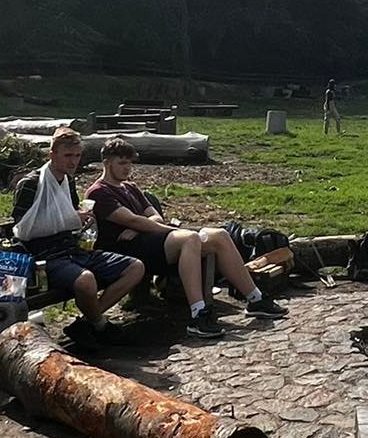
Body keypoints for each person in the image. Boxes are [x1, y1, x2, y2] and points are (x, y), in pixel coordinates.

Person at [86, 137, 285, 339]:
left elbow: (152, 216)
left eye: (129, 163)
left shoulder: (130, 187)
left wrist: (143, 227)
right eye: (122, 163)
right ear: (107, 163)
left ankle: (256, 299)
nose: (127, 168)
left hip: (148, 239)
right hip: (127, 251)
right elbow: (133, 220)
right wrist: (143, 226)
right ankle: (198, 314)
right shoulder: (99, 192)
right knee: (190, 238)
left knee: (219, 235)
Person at [10, 128, 144, 352]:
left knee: (135, 267)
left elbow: (71, 216)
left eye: (77, 156)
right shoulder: (31, 184)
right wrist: (70, 218)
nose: (73, 161)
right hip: (44, 257)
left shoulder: (67, 181)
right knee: (86, 281)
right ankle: (100, 325)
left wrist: (80, 220)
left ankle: (85, 324)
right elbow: (22, 229)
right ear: (52, 154)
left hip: (73, 250)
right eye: (67, 156)